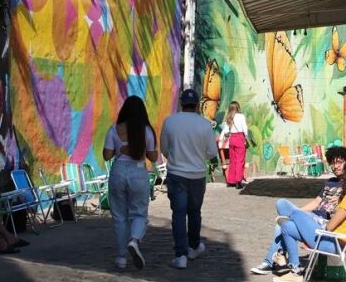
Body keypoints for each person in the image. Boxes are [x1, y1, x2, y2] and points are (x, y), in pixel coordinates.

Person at [250, 146, 346, 275]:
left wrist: (340, 201)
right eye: (332, 163)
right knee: (281, 204)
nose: (335, 166)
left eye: (339, 162)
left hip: (321, 222)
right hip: (310, 217)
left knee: (281, 225)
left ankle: (270, 262)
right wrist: (298, 214)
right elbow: (316, 202)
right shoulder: (330, 182)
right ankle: (277, 259)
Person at [272, 154, 346, 282]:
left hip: (331, 242)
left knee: (296, 213)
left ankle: (285, 221)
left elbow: (330, 227)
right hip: (336, 241)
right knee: (287, 228)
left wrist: (317, 224)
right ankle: (295, 272)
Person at [161, 89, 218, 269]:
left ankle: (180, 255)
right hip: (197, 175)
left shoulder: (170, 122)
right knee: (194, 212)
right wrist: (197, 154)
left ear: (181, 103)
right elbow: (211, 153)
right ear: (197, 105)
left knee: (178, 214)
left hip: (176, 173)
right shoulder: (205, 124)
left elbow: (164, 149)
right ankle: (193, 246)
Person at [103, 96, 158, 270]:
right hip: (138, 171)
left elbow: (107, 155)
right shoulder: (147, 131)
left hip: (118, 170)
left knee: (119, 216)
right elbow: (153, 157)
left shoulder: (113, 129)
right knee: (139, 213)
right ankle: (134, 240)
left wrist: (121, 148)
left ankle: (121, 258)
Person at [219, 101, 249, 189]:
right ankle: (238, 181)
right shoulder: (241, 116)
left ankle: (230, 181)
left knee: (233, 160)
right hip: (240, 137)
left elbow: (225, 130)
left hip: (232, 139)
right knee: (240, 160)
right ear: (238, 107)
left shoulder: (229, 117)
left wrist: (221, 138)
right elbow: (245, 128)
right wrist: (246, 138)